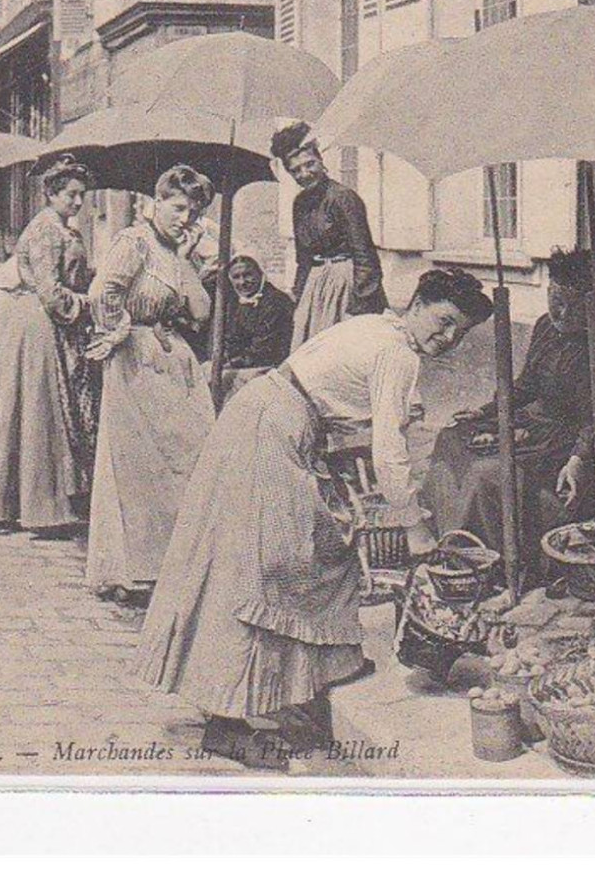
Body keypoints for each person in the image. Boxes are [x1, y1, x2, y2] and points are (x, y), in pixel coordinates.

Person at [136, 268, 494, 767]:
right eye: (445, 320)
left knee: (293, 553)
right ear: (417, 304)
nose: (449, 337)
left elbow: (335, 398)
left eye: (461, 332)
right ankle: (227, 723)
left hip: (263, 414)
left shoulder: (376, 327)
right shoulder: (397, 353)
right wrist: (414, 522)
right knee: (273, 565)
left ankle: (320, 671)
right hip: (271, 429)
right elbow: (391, 454)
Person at [419, 248, 595, 576]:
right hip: (537, 425)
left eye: (569, 304)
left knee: (486, 473)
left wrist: (577, 461)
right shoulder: (544, 328)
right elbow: (524, 387)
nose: (558, 311)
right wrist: (486, 412)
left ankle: (490, 563)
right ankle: (452, 544)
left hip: (579, 443)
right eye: (554, 298)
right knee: (453, 437)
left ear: (587, 305)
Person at [84, 165, 217, 603]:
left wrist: (183, 261)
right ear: (156, 202)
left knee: (186, 459)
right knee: (139, 466)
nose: (185, 217)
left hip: (173, 360)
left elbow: (200, 312)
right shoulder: (133, 242)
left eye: (193, 211)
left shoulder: (175, 253)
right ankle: (135, 570)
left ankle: (172, 564)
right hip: (136, 362)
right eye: (178, 207)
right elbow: (104, 292)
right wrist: (122, 331)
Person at [0, 157, 102, 523]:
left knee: (51, 410)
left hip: (49, 322)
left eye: (82, 195)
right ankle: (39, 507)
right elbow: (49, 289)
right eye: (71, 195)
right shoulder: (46, 228)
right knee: (40, 409)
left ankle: (43, 501)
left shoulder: (64, 227)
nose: (78, 202)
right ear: (51, 193)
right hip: (38, 323)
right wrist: (87, 305)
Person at [273, 121, 386, 351]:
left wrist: (360, 304)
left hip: (347, 283)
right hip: (316, 286)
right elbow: (303, 257)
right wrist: (299, 295)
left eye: (309, 164)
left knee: (344, 350)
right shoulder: (300, 204)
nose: (304, 173)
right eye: (296, 170)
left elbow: (365, 254)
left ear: (321, 160)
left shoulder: (343, 197)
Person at [215, 255, 295, 402]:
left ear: (260, 274)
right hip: (242, 364)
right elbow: (229, 339)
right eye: (236, 277)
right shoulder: (232, 302)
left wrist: (232, 362)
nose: (242, 282)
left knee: (224, 381)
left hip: (269, 366)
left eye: (248, 275)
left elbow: (264, 348)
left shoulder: (276, 301)